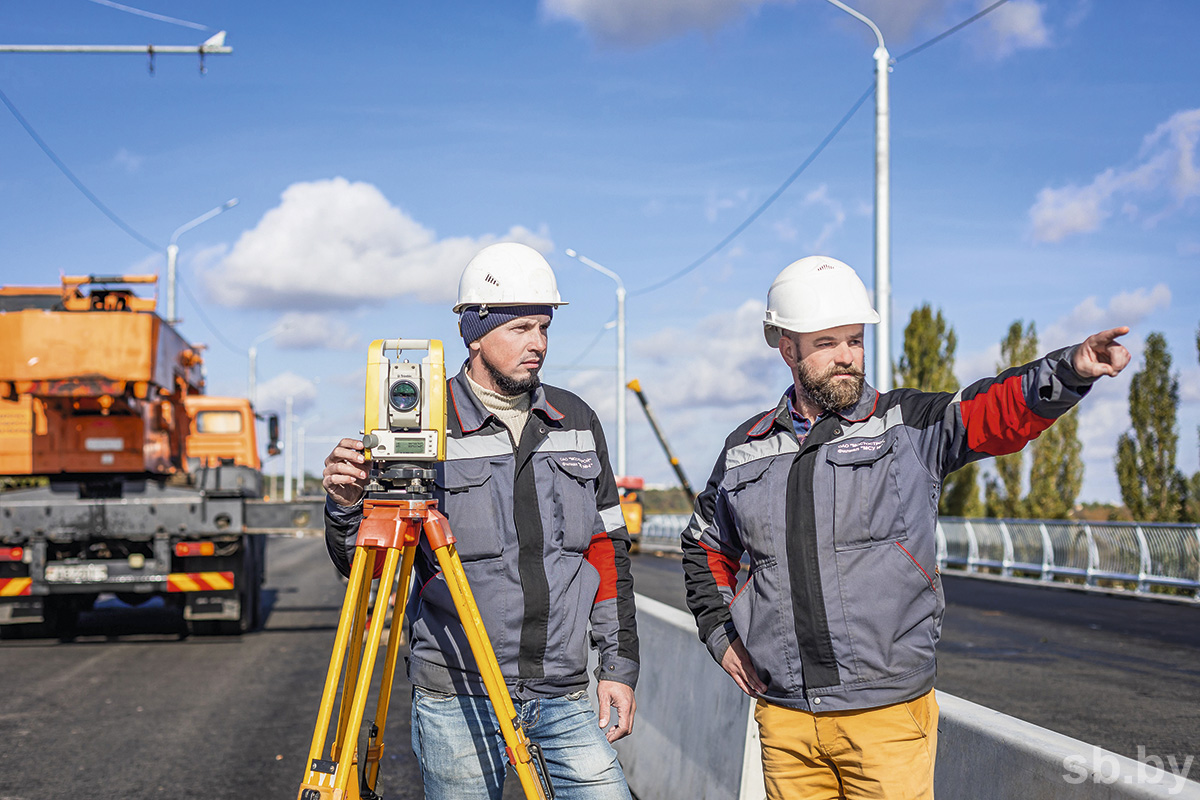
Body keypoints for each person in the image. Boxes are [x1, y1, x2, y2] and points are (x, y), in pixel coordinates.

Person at [681, 255, 1130, 800]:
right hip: (786, 722)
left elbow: (995, 411)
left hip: (888, 719)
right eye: (827, 343)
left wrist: (1070, 370)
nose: (847, 357)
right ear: (787, 347)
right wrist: (721, 634)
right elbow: (704, 549)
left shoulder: (909, 426)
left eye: (855, 339)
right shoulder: (744, 451)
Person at [322, 242, 639, 800]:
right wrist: (347, 506)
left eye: (544, 328)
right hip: (456, 697)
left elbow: (606, 550)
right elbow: (366, 570)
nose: (538, 344)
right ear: (475, 334)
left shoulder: (577, 419)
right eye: (520, 328)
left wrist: (617, 666)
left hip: (563, 691)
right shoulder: (423, 426)